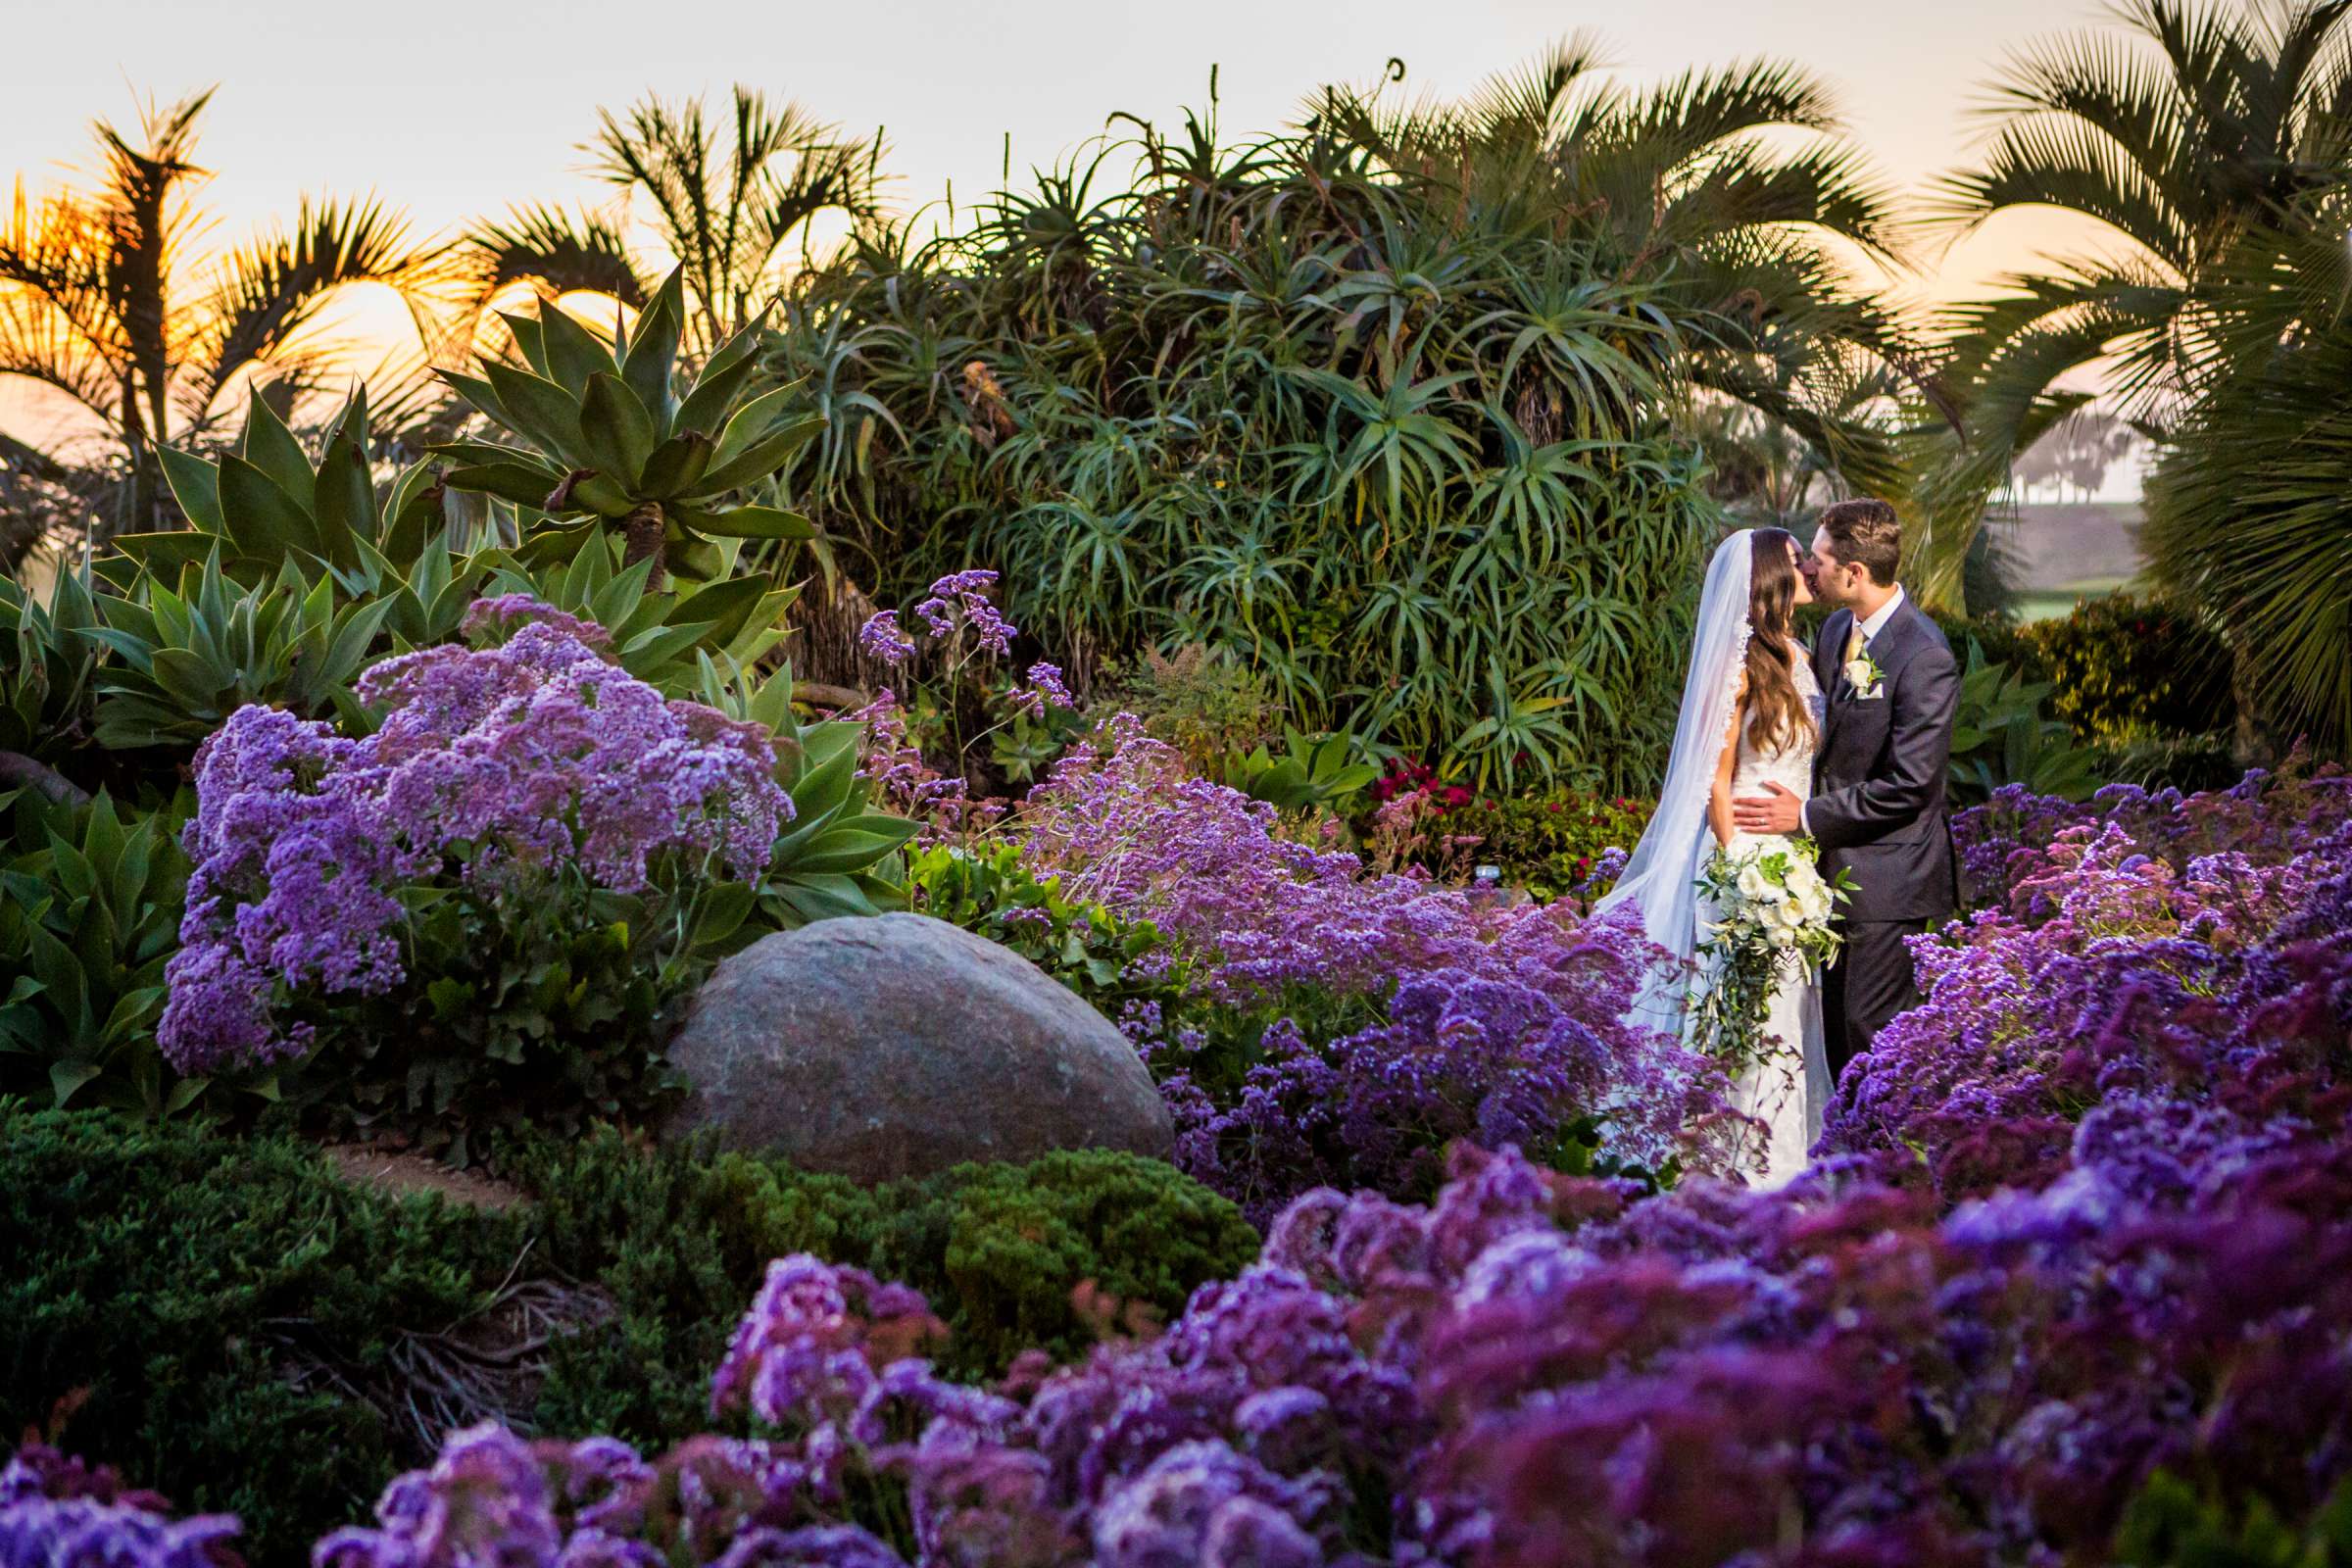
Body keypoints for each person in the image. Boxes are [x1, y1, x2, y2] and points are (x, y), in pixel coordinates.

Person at [1598, 527, 1829, 1187]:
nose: (1806, 567)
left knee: (1788, 1014)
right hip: (1745, 863)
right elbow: (1714, 783)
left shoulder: (1803, 654)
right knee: (1743, 1014)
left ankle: (1785, 1160)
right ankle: (1738, 1171)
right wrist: (1742, 870)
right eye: (1793, 561)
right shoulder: (1740, 664)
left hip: (1795, 857)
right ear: (1768, 578)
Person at [1731, 498, 1960, 1081]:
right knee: (1829, 1034)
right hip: (1822, 872)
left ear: (1854, 574)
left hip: (1888, 880)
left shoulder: (1924, 656)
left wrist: (1804, 817)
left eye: (1820, 558)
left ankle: (1895, 1161)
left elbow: (1910, 786)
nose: (1809, 568)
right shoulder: (1835, 630)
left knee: (1871, 1031)